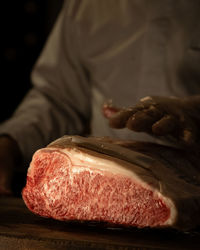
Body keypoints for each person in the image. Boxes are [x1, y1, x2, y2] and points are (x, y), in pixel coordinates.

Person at [1, 0, 200, 195]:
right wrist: (10, 142)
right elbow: (58, 98)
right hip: (103, 191)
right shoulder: (87, 5)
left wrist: (194, 111)